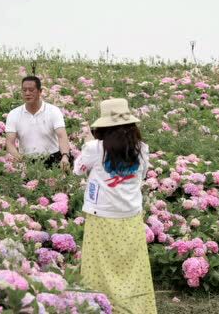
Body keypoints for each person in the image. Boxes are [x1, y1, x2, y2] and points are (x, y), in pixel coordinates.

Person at [73, 98, 157, 314]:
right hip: (130, 215)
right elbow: (142, 174)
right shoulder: (141, 148)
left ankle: (101, 307)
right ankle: (135, 306)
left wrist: (87, 142)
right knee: (131, 266)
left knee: (100, 265)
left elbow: (78, 169)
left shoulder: (95, 148)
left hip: (102, 215)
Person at [5, 76, 72, 170]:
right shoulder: (14, 114)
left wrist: (65, 156)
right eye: (24, 90)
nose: (27, 93)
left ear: (40, 91)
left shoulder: (53, 111)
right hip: (26, 160)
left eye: (31, 90)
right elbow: (9, 142)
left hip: (52, 159)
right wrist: (20, 159)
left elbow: (62, 135)